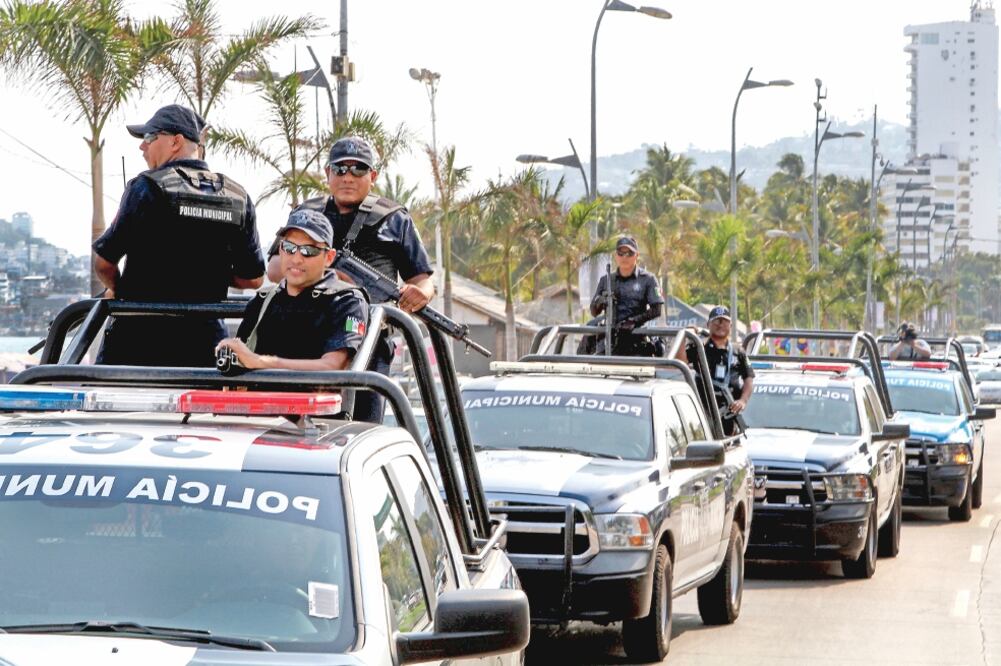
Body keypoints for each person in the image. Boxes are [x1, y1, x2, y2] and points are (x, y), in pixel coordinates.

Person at [266, 136, 434, 421]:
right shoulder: (306, 214)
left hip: (367, 341)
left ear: (373, 176)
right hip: (306, 340)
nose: (348, 177)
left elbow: (423, 279)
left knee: (361, 428)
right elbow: (272, 269)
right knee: (295, 430)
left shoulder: (394, 219)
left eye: (358, 169)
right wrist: (331, 275)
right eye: (340, 169)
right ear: (327, 173)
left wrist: (421, 294)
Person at [93, 104, 265, 367]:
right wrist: (208, 272)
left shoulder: (147, 187)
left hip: (137, 342)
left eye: (150, 138)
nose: (143, 146)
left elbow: (104, 263)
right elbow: (253, 279)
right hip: (205, 346)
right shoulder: (237, 196)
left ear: (176, 141)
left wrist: (120, 291)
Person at [216, 209, 368, 371]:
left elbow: (333, 367)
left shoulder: (347, 301)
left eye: (309, 251)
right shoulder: (262, 301)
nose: (296, 259)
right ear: (280, 250)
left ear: (329, 257)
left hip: (316, 395)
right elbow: (243, 360)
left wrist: (262, 362)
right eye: (289, 247)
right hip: (263, 395)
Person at [676, 305, 754, 435]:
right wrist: (685, 336)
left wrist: (743, 401)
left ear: (731, 325)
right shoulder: (699, 347)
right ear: (708, 324)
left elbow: (749, 379)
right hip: (703, 414)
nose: (720, 325)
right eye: (716, 321)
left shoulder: (738, 351)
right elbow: (680, 362)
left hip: (729, 414)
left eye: (724, 321)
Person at [586, 236, 664, 356]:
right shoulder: (606, 280)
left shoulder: (648, 279)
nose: (624, 257)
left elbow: (657, 309)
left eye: (629, 253)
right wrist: (603, 300)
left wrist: (633, 321)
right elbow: (594, 311)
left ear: (636, 255)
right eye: (621, 253)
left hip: (636, 339)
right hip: (609, 341)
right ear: (616, 256)